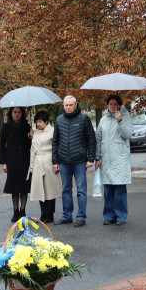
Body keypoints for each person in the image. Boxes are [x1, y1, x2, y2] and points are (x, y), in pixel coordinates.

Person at [52, 95, 96, 227]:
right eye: (66, 105)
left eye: (71, 105)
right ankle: (66, 216)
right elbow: (55, 142)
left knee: (81, 190)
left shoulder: (84, 119)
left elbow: (91, 140)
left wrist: (90, 158)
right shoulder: (59, 120)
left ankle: (81, 216)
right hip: (64, 161)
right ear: (63, 106)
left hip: (80, 161)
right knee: (66, 189)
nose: (68, 107)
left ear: (76, 105)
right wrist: (55, 161)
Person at [95, 95, 133, 226]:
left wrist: (120, 120)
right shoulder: (103, 120)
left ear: (119, 106)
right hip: (106, 159)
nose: (112, 106)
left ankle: (121, 216)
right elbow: (98, 139)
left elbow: (127, 134)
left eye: (115, 104)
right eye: (110, 104)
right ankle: (109, 215)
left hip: (120, 159)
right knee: (108, 189)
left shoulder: (125, 117)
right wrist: (97, 157)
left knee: (119, 189)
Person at [0, 106, 33, 222]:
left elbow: (32, 145)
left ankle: (23, 210)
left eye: (19, 112)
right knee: (14, 188)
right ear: (11, 113)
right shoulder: (6, 127)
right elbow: (2, 145)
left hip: (25, 161)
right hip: (12, 161)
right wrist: (3, 162)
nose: (17, 114)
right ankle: (15, 210)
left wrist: (32, 137)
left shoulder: (27, 127)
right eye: (15, 112)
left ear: (22, 114)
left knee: (23, 188)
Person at [28, 110, 62, 223]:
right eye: (36, 122)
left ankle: (50, 214)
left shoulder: (53, 131)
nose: (38, 124)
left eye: (40, 122)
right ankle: (43, 213)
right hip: (38, 162)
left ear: (46, 122)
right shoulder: (36, 132)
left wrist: (56, 163)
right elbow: (33, 150)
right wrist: (31, 165)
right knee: (39, 188)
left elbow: (57, 148)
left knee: (50, 189)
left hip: (48, 161)